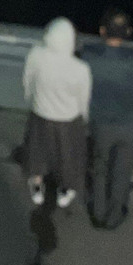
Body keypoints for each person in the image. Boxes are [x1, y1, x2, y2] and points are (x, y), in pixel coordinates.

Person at [80, 7, 133, 229]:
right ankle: (113, 216)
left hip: (101, 125)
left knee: (100, 170)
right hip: (131, 127)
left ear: (102, 31)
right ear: (128, 32)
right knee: (123, 172)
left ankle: (98, 213)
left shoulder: (88, 54)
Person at [21, 17, 91, 209]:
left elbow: (28, 81)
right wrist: (84, 118)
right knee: (67, 157)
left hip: (40, 115)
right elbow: (83, 99)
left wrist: (32, 101)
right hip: (68, 121)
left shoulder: (36, 55)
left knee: (38, 153)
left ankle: (36, 186)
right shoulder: (80, 69)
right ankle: (65, 190)